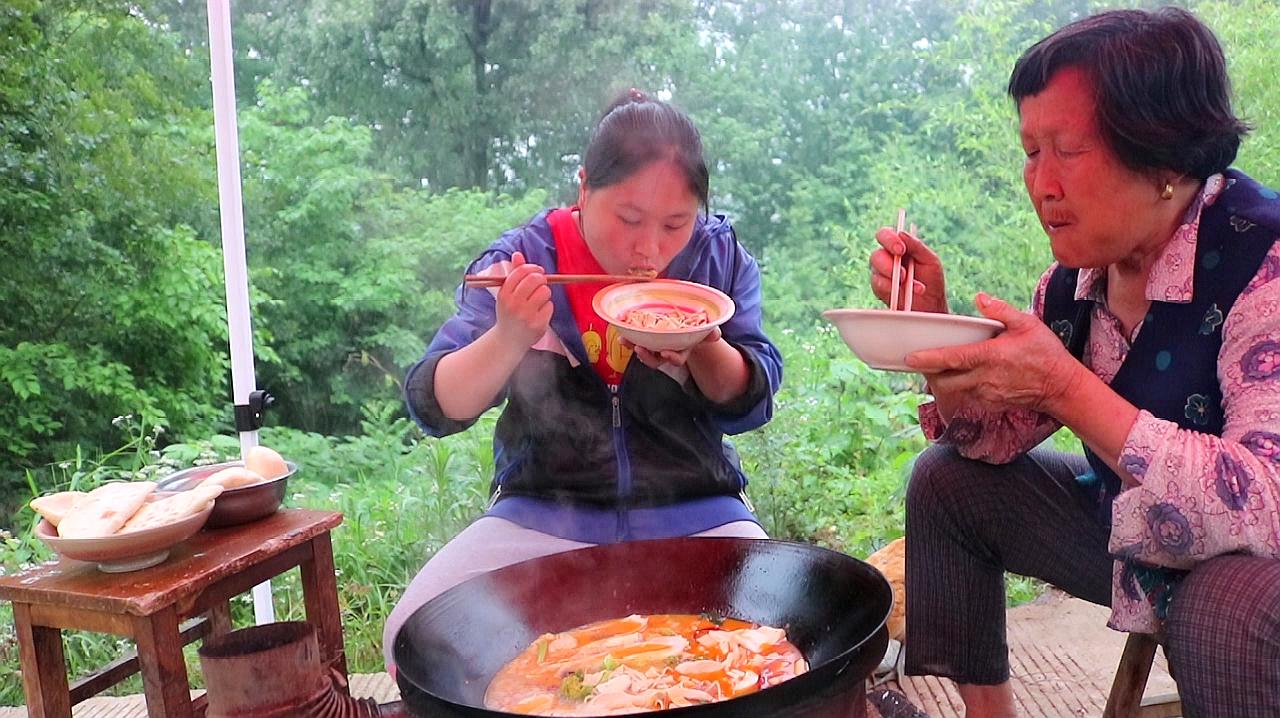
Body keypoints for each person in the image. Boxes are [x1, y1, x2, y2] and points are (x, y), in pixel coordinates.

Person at [869, 8, 1280, 717]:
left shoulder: (1263, 261)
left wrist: (1065, 387)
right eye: (1031, 151)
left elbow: (1268, 505)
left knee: (1222, 603)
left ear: (1165, 154)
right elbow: (994, 440)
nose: (1041, 183)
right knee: (946, 480)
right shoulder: (1076, 282)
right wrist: (933, 336)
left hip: (1252, 576)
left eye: (1067, 149)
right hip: (1145, 537)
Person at [383, 88, 783, 670]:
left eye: (675, 224)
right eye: (628, 219)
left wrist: (703, 349)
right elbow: (436, 404)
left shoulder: (714, 264)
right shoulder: (523, 262)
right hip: (540, 515)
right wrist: (508, 338)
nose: (649, 249)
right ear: (583, 188)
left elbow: (751, 401)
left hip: (697, 514)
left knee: (770, 644)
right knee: (413, 644)